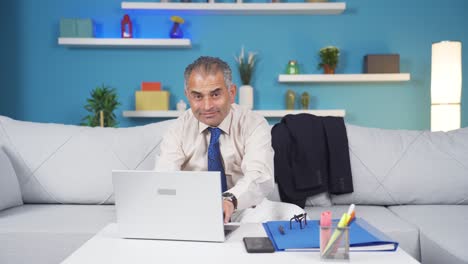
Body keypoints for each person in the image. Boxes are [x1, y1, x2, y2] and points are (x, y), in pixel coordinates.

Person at [155, 56, 274, 223]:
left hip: (243, 208)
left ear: (231, 93)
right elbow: (164, 176)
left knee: (291, 213)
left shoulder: (254, 124)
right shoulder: (177, 129)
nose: (207, 106)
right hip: (193, 210)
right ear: (188, 96)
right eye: (197, 96)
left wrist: (229, 200)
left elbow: (259, 175)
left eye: (215, 94)